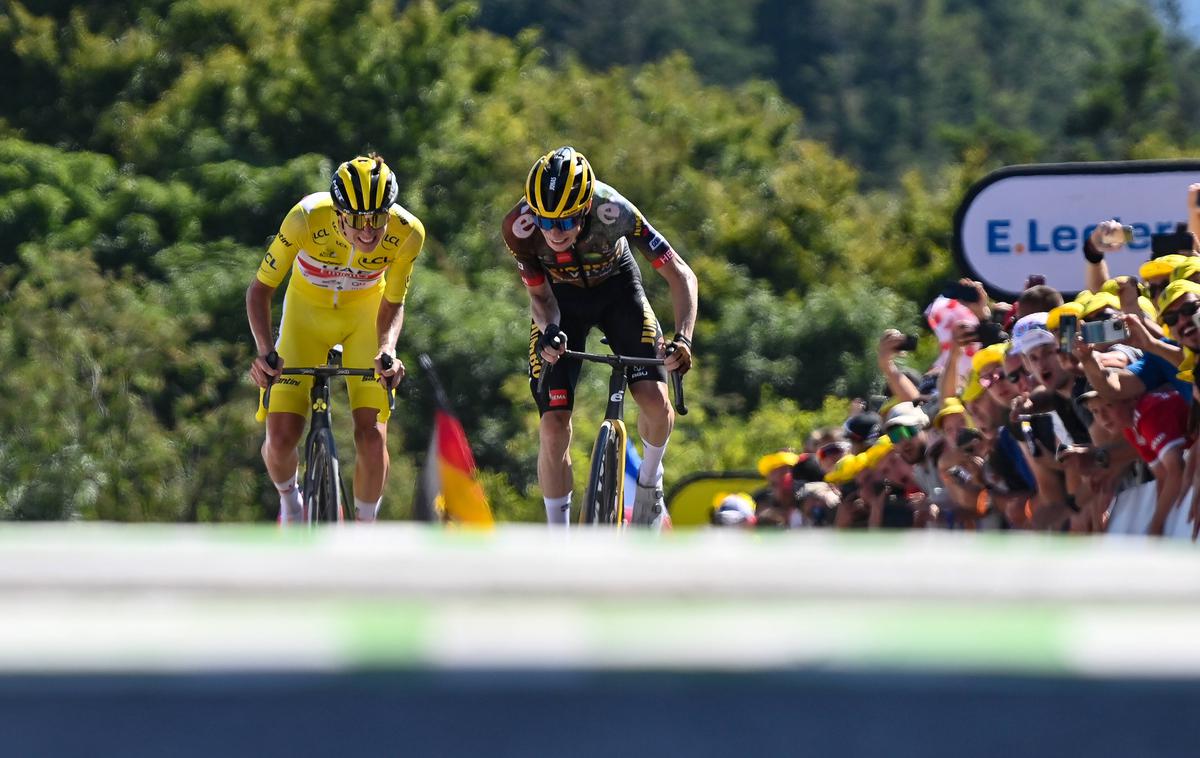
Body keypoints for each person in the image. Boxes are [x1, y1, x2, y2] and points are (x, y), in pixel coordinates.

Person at [503, 146, 698, 528]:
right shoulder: (519, 228)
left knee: (655, 403)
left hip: (618, 291)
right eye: (545, 221)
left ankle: (649, 483)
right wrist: (550, 333)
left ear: (586, 208)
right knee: (553, 424)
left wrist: (684, 339)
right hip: (561, 304)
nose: (554, 232)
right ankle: (557, 533)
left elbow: (681, 275)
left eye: (565, 222)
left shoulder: (615, 211)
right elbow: (540, 298)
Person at [246, 154, 421, 524]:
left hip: (365, 319)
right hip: (304, 318)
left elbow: (394, 300)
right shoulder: (305, 219)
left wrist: (387, 347)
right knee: (279, 440)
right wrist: (264, 352)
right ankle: (291, 505)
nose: (369, 232)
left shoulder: (408, 233)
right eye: (357, 221)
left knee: (372, 438)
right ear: (339, 214)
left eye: (377, 219)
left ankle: (364, 527)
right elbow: (260, 290)